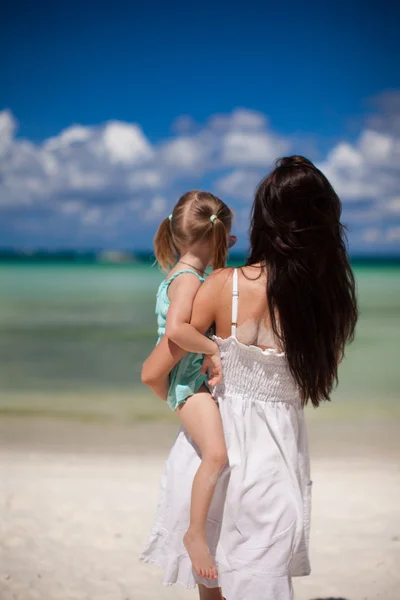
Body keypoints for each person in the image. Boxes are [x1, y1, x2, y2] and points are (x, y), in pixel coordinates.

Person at [140, 156, 358, 600]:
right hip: (275, 459)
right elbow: (319, 378)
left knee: (214, 590)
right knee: (265, 583)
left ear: (264, 220)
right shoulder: (330, 307)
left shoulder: (223, 284)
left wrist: (179, 396)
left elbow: (154, 368)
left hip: (212, 451)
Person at [145, 190, 235, 580]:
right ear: (217, 237)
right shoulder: (187, 280)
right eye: (228, 239)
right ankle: (195, 533)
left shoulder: (182, 274)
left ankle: (200, 529)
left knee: (215, 454)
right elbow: (180, 331)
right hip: (190, 386)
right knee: (217, 455)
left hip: (186, 384)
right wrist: (213, 348)